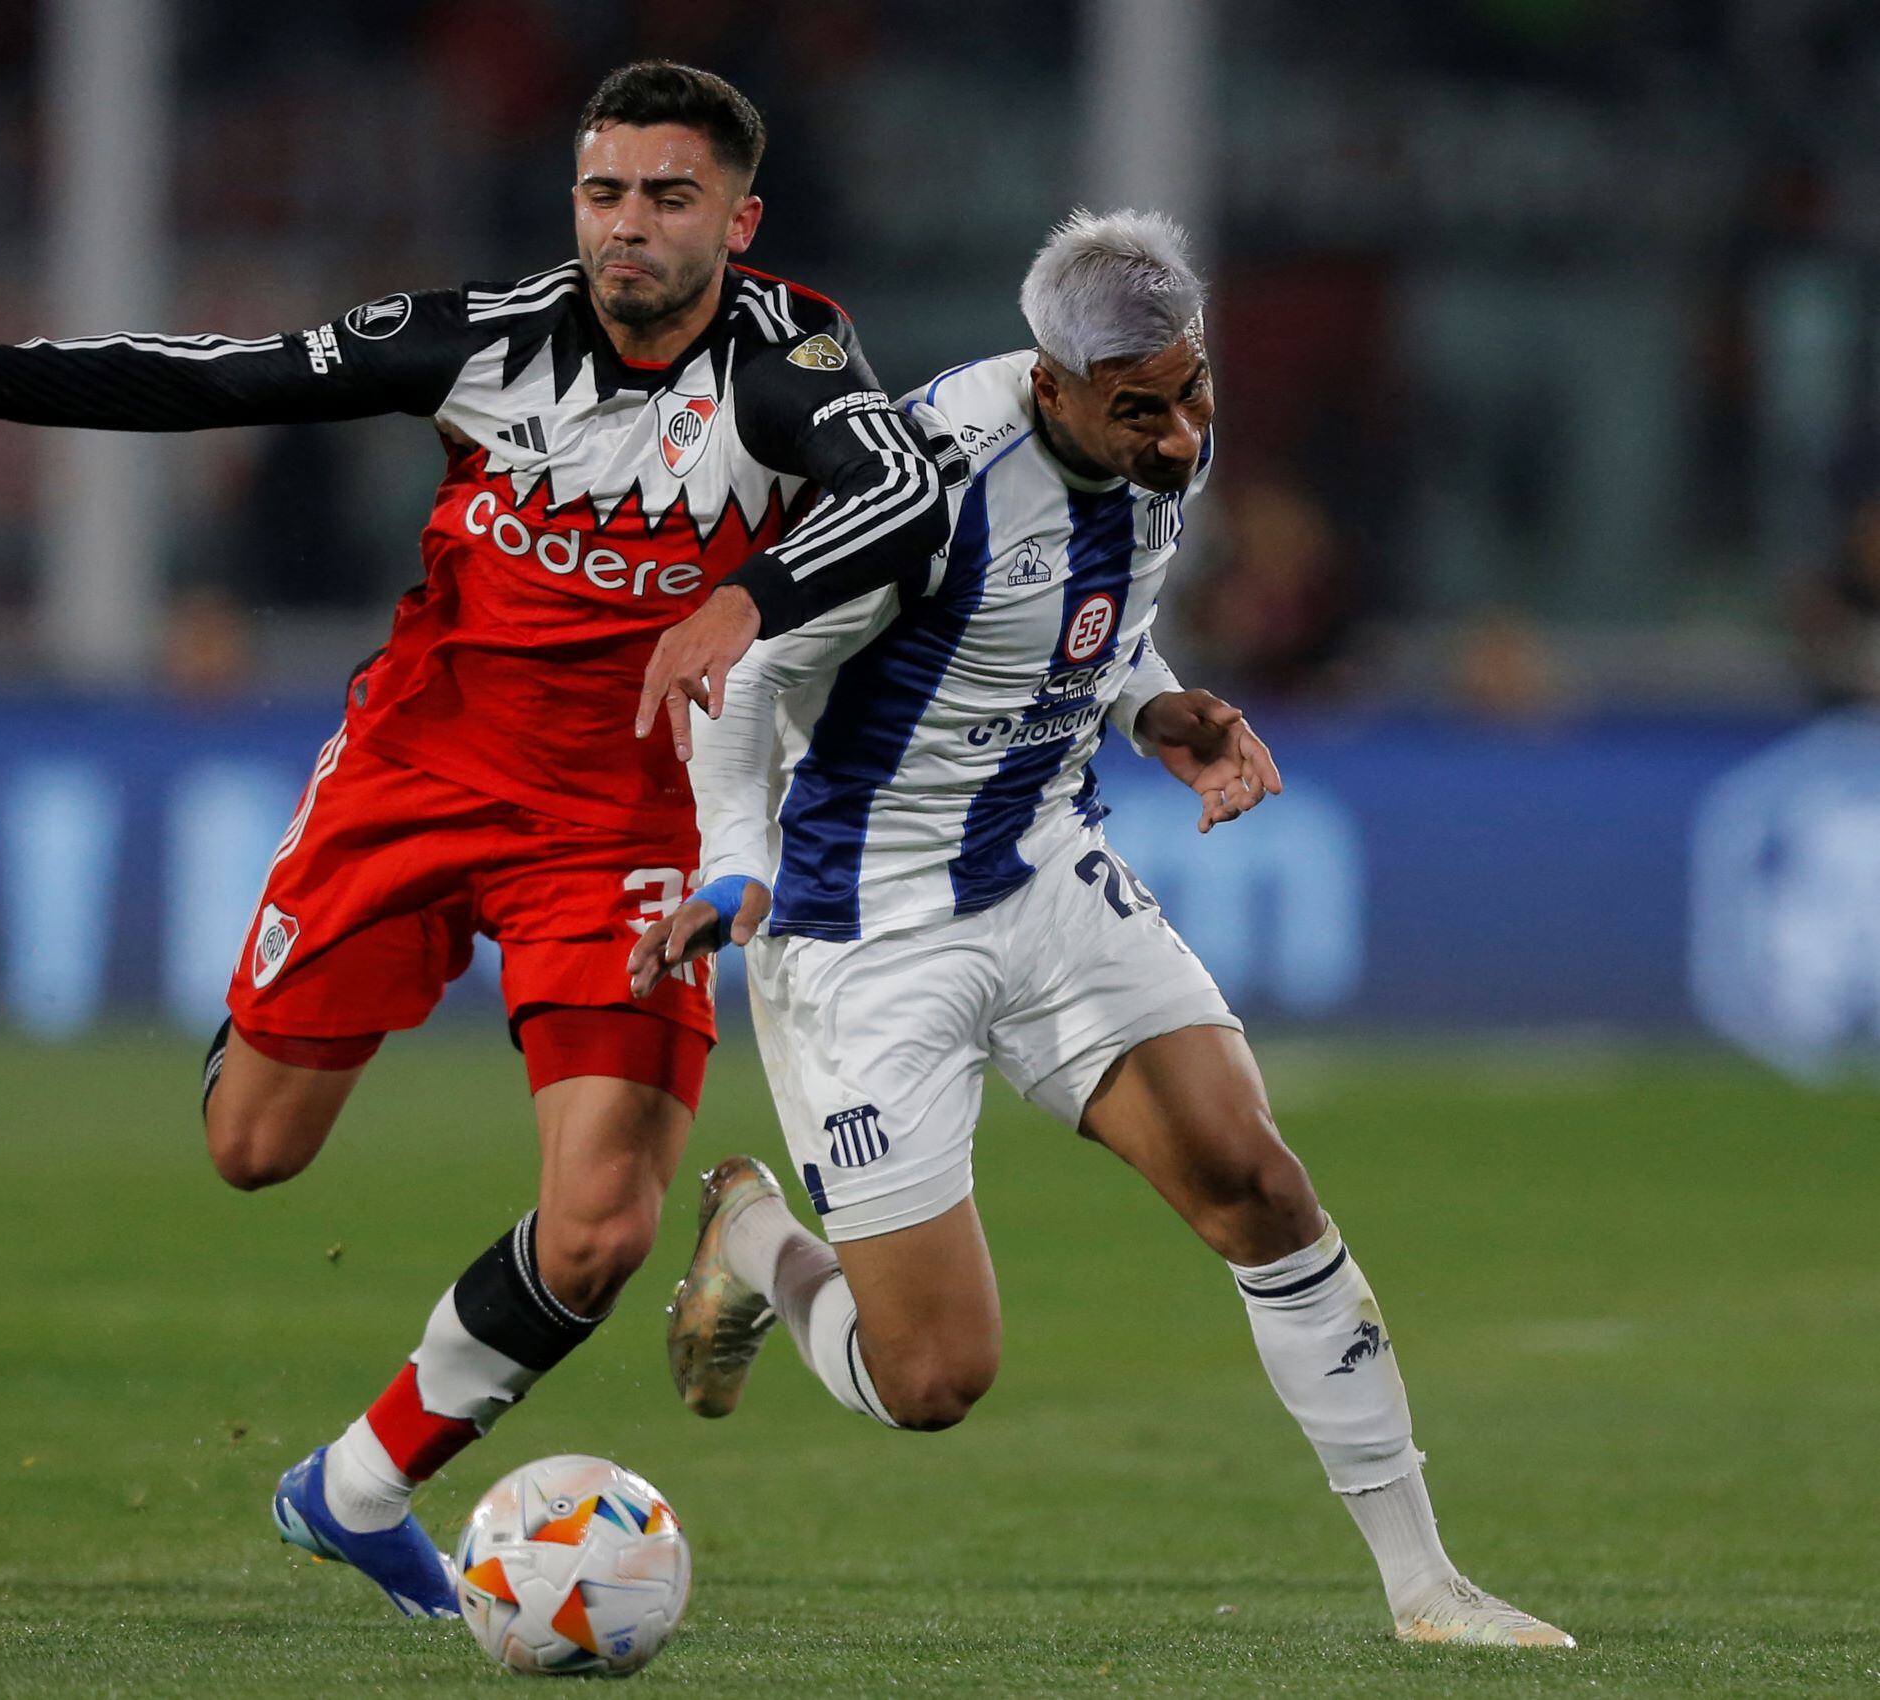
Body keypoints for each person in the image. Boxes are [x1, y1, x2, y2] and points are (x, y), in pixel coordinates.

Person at [0, 61, 953, 1620]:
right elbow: (212, 377)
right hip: (420, 770)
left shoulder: (790, 362)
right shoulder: (476, 338)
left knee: (599, 1229)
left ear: (742, 217)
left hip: (628, 824)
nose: (630, 228)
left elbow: (910, 497)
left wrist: (753, 600)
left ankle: (354, 1487)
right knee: (252, 1148)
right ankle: (286, 1013)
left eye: (670, 197)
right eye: (605, 193)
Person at [630, 210, 1575, 1650]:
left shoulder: (1151, 444)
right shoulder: (921, 483)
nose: (1185, 433)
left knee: (1256, 1180)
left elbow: (1087, 617)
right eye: (1145, 410)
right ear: (1049, 385)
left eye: (1196, 392)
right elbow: (749, 669)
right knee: (933, 1375)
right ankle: (757, 1237)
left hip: (1044, 871)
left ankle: (1425, 1586)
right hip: (868, 930)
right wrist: (731, 867)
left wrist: (1152, 710)